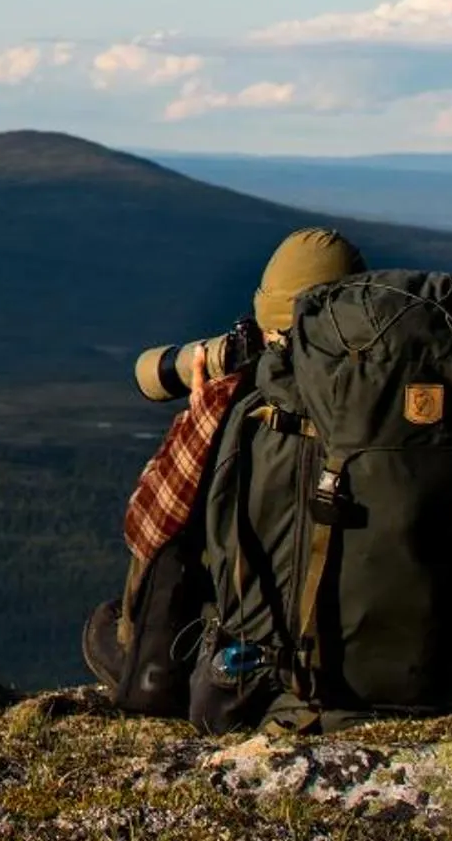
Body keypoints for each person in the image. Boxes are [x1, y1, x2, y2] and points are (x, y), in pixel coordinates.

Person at [82, 228, 367, 716]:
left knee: (172, 536)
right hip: (397, 657)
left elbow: (149, 524)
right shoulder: (397, 405)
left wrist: (203, 416)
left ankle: (141, 658)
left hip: (259, 672)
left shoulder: (243, 400)